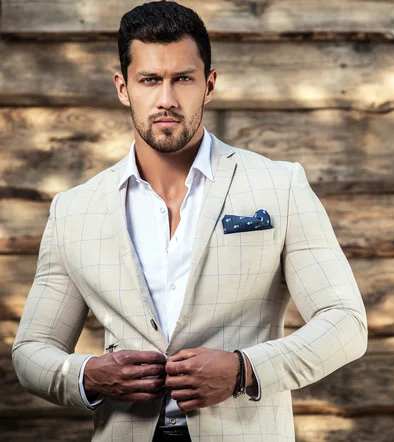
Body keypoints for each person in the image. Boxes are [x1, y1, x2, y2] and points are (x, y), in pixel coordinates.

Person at [12, 1, 368, 441]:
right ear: (123, 88)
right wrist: (89, 375)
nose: (166, 99)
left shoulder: (280, 186)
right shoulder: (74, 210)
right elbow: (31, 353)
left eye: (183, 79)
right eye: (149, 80)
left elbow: (345, 322)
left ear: (209, 85)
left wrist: (245, 369)